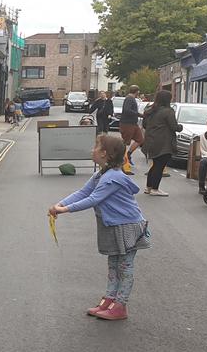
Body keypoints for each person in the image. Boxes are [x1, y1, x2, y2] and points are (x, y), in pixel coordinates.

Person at [49, 134, 151, 321]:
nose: (92, 150)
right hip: (114, 226)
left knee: (125, 267)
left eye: (96, 146)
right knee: (113, 265)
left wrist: (64, 210)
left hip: (127, 227)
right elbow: (83, 192)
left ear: (105, 154)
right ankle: (110, 300)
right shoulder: (101, 174)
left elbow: (93, 199)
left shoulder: (112, 178)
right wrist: (59, 204)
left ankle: (120, 306)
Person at [140, 90, 182, 196]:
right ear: (168, 99)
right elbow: (174, 127)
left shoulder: (150, 110)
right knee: (160, 165)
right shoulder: (168, 111)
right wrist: (180, 127)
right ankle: (155, 189)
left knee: (155, 164)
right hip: (164, 142)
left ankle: (148, 187)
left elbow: (144, 125)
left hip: (151, 140)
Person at [119, 85, 145, 174]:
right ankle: (122, 161)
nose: (139, 93)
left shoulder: (132, 98)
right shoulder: (129, 98)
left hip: (133, 123)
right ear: (136, 91)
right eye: (138, 91)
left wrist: (140, 115)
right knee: (125, 142)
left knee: (140, 139)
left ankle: (129, 154)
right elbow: (126, 110)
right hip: (127, 123)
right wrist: (138, 114)